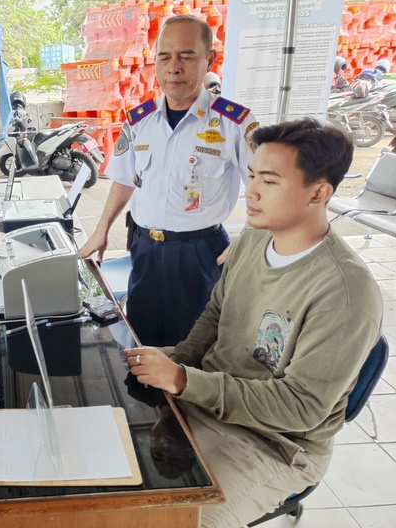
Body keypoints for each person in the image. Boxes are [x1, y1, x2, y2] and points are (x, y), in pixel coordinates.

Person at [125, 118, 382, 528]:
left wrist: (185, 381)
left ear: (318, 193)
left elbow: (301, 407)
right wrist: (176, 365)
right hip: (207, 399)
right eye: (252, 175)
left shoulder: (345, 293)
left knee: (176, 522)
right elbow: (215, 315)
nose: (252, 191)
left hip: (273, 443)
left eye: (270, 180)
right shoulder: (252, 240)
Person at [79, 14, 260, 347]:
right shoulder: (140, 120)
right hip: (145, 250)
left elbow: (264, 187)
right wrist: (102, 229)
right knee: (141, 344)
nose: (174, 67)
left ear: (210, 60)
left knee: (196, 349)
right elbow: (124, 179)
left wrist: (249, 239)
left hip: (201, 255)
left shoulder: (234, 123)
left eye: (186, 56)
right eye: (164, 57)